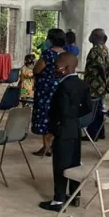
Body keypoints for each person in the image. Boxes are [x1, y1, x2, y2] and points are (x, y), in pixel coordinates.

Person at [39, 52, 91, 212]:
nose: (55, 69)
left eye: (57, 66)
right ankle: (75, 196)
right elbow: (88, 108)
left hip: (62, 130)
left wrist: (54, 127)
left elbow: (59, 110)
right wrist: (73, 118)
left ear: (66, 68)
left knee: (60, 165)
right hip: (75, 129)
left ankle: (58, 200)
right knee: (74, 164)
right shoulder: (82, 84)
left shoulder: (62, 86)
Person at [32, 28, 66, 157]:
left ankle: (46, 146)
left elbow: (37, 69)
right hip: (60, 88)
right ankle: (52, 144)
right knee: (56, 116)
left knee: (45, 116)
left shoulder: (48, 54)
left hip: (46, 90)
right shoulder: (66, 54)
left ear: (51, 39)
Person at [84, 28, 109, 141]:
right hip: (101, 86)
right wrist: (107, 80)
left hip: (94, 85)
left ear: (95, 36)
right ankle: (100, 132)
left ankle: (92, 134)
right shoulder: (105, 48)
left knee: (93, 110)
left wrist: (104, 78)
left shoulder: (95, 50)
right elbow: (108, 66)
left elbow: (100, 66)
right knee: (99, 109)